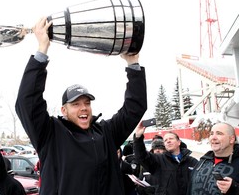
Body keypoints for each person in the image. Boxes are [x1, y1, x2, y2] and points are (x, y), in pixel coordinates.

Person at [15, 17, 147, 195]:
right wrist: (42, 51)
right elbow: (27, 102)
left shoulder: (106, 133)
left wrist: (133, 64)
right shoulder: (50, 134)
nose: (83, 107)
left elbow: (135, 107)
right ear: (64, 110)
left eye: (87, 103)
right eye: (76, 104)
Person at [133, 122, 198, 195]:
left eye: (171, 138)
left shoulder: (192, 162)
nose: (168, 141)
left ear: (179, 142)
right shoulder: (158, 160)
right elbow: (141, 157)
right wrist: (138, 138)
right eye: (165, 140)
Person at [187, 122, 239, 195]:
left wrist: (234, 188)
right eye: (211, 134)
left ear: (231, 139)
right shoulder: (203, 161)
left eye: (219, 133)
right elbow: (190, 187)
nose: (213, 137)